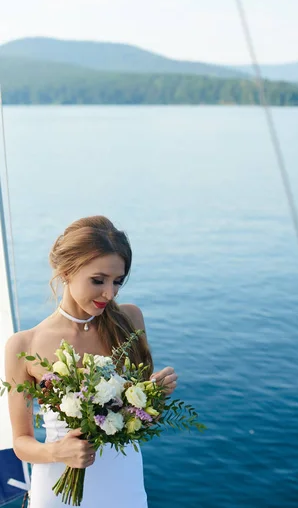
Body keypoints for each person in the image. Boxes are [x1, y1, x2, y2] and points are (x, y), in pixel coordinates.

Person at [5, 216, 178, 507]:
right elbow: (21, 443)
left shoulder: (130, 321)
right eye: (98, 280)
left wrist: (152, 397)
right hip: (58, 487)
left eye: (117, 282)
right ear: (66, 271)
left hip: (123, 482)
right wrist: (58, 452)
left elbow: (147, 421)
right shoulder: (25, 345)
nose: (109, 294)